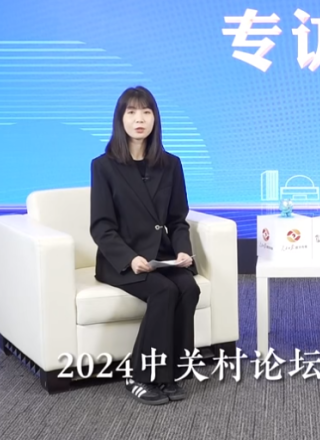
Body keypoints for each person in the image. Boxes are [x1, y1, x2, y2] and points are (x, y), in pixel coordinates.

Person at [90, 86, 198, 405]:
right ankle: (139, 375)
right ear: (120, 119)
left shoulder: (171, 164)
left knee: (188, 287)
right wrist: (130, 258)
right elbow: (102, 226)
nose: (140, 119)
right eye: (132, 112)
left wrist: (182, 250)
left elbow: (178, 219)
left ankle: (170, 373)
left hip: (161, 256)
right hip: (120, 260)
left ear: (155, 119)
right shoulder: (104, 166)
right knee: (164, 291)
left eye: (146, 112)